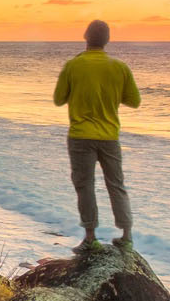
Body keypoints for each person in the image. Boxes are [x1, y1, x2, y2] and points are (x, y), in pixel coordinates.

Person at [53, 19, 139, 249]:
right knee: (116, 184)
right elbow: (134, 101)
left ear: (85, 37)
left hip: (81, 135)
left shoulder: (73, 66)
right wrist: (109, 94)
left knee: (85, 185)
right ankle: (127, 234)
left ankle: (90, 237)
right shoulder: (119, 68)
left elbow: (58, 99)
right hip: (109, 135)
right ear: (107, 40)